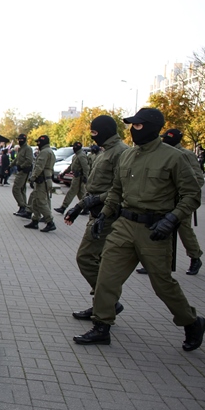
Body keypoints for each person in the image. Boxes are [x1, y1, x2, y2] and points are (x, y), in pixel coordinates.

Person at [74, 108, 205, 350]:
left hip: (154, 229)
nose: (133, 130)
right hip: (124, 225)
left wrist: (171, 219)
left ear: (152, 127)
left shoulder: (174, 157)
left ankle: (191, 321)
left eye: (138, 125)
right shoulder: (128, 156)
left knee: (162, 284)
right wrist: (103, 216)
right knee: (106, 277)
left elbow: (192, 194)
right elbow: (115, 191)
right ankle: (102, 325)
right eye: (131, 126)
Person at [63, 116, 129, 319]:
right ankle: (104, 303)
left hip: (108, 214)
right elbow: (95, 186)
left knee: (86, 257)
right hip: (97, 211)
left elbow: (120, 189)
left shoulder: (120, 152)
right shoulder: (106, 151)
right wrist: (79, 206)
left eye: (95, 132)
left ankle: (106, 303)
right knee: (95, 260)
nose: (93, 137)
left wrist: (94, 201)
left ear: (106, 131)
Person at [159, 128, 202, 275]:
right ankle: (156, 262)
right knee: (160, 230)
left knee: (184, 231)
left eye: (167, 138)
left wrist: (183, 192)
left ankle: (195, 257)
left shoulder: (186, 154)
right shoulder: (162, 153)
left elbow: (198, 179)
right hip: (164, 199)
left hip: (180, 201)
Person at [24, 135, 56, 232]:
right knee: (36, 201)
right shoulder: (50, 151)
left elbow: (39, 166)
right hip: (45, 179)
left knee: (41, 201)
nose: (37, 144)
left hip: (42, 180)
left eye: (38, 142)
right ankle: (35, 220)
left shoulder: (44, 152)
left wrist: (32, 178)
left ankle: (50, 222)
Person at [55, 142, 90, 214]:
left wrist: (85, 177)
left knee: (71, 192)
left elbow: (86, 167)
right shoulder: (76, 155)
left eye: (74, 147)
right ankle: (87, 207)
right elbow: (71, 166)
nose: (73, 148)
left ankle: (63, 207)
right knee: (81, 194)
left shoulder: (81, 156)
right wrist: (64, 173)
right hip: (76, 176)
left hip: (79, 177)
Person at [10, 134, 34, 218]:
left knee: (16, 189)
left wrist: (22, 166)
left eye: (21, 139)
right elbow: (17, 159)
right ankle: (23, 207)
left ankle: (22, 206)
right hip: (20, 170)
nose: (19, 141)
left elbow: (29, 160)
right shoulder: (21, 149)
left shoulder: (27, 148)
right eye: (18, 139)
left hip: (24, 171)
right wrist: (10, 166)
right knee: (22, 189)